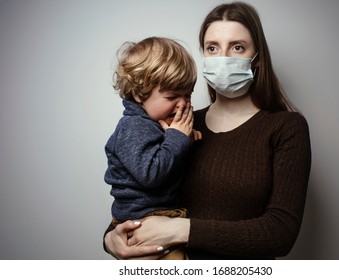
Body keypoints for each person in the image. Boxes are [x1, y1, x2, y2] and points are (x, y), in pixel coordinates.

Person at [103, 1, 311, 260]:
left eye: (237, 47)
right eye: (213, 48)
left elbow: (280, 234)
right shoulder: (178, 126)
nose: (223, 58)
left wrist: (180, 230)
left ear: (257, 58)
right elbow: (141, 196)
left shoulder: (286, 128)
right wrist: (111, 237)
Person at [104, 36, 201, 260]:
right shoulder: (133, 126)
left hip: (159, 217)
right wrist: (177, 138)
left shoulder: (155, 122)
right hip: (141, 222)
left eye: (187, 95)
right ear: (139, 95)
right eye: (171, 96)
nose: (182, 104)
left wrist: (183, 139)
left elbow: (166, 152)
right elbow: (151, 174)